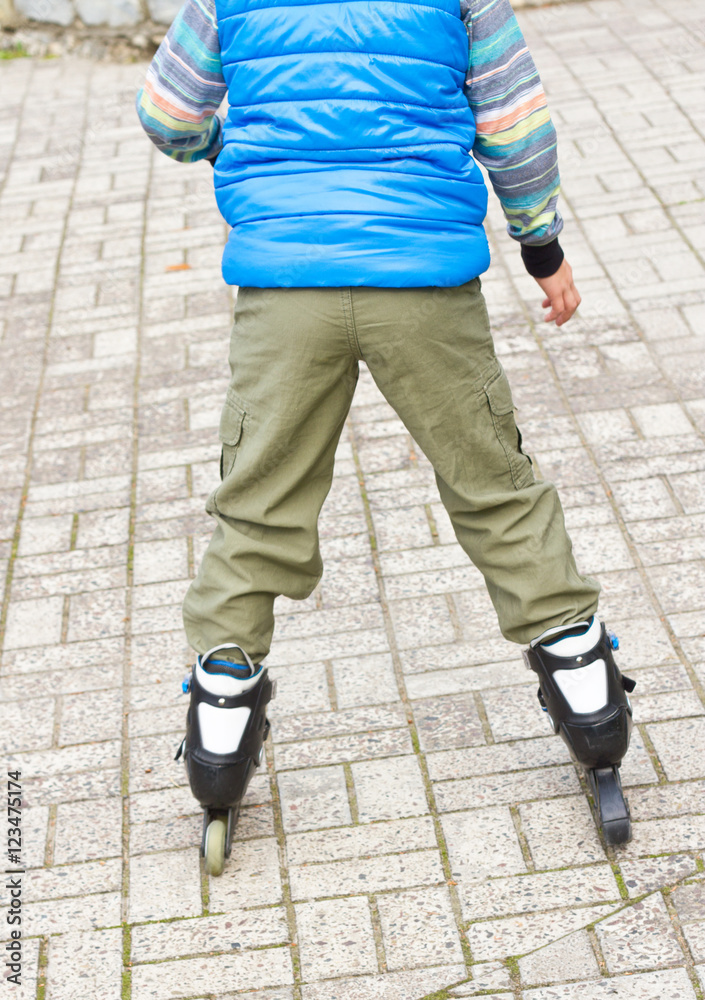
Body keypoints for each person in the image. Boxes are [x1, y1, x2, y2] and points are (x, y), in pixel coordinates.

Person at [137, 0, 635, 875]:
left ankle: (218, 732)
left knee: (257, 505)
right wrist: (541, 246)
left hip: (286, 284)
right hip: (424, 283)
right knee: (494, 486)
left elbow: (168, 115)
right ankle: (590, 704)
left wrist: (235, 155)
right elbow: (516, 128)